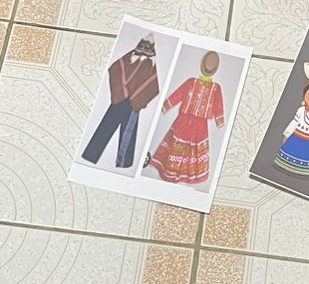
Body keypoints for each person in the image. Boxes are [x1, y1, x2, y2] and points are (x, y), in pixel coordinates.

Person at [146, 50, 227, 185]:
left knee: (194, 149)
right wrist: (166, 105)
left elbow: (218, 105)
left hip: (200, 125)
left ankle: (189, 175)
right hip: (183, 120)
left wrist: (219, 120)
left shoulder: (216, 88)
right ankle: (170, 171)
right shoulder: (191, 82)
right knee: (177, 144)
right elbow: (178, 94)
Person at [82, 34, 161, 169]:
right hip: (120, 99)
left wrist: (135, 101)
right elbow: (115, 69)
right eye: (143, 45)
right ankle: (91, 155)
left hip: (133, 103)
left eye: (148, 46)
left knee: (128, 133)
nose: (145, 49)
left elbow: (154, 86)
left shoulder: (151, 66)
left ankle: (123, 162)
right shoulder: (128, 59)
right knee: (106, 126)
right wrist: (122, 94)